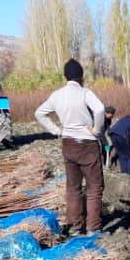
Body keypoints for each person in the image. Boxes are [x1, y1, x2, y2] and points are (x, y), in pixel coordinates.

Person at [33, 59, 108, 234]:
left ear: (65, 76)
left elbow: (39, 113)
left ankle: (75, 227)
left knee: (73, 187)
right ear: (81, 76)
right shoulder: (85, 93)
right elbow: (100, 110)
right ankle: (93, 228)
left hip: (68, 143)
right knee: (94, 187)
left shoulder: (57, 95)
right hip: (87, 144)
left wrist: (56, 130)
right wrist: (97, 130)